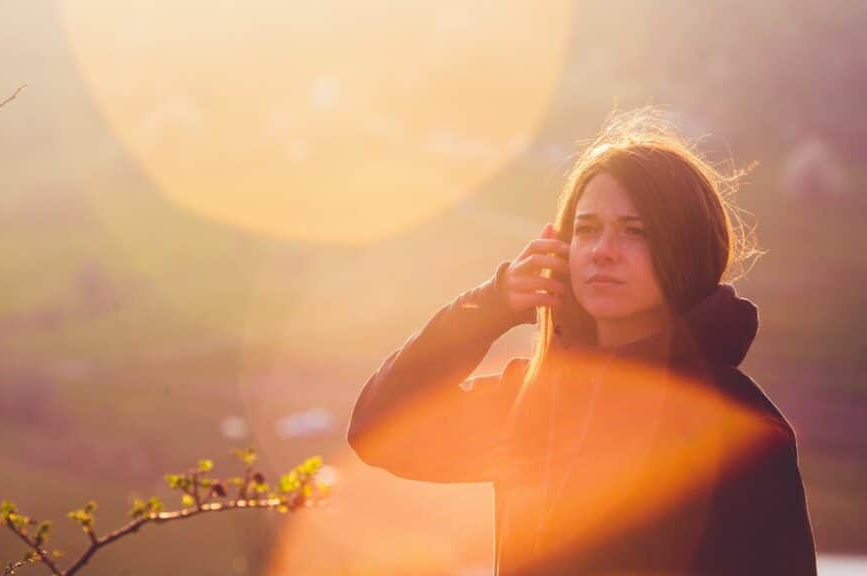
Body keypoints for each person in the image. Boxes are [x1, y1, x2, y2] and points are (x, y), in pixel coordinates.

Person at [346, 108, 818, 575]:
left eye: (636, 232)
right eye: (587, 229)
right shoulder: (532, 404)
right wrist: (493, 303)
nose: (603, 252)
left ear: (686, 249)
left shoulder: (740, 428)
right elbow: (379, 429)